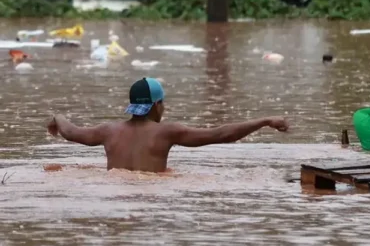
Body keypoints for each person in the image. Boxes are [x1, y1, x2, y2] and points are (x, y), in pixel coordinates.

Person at [46, 77, 289, 173]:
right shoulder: (166, 132)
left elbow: (70, 132)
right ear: (155, 105)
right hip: (153, 196)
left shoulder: (108, 131)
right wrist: (264, 120)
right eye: (162, 103)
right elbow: (220, 134)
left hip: (114, 192)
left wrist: (57, 117)